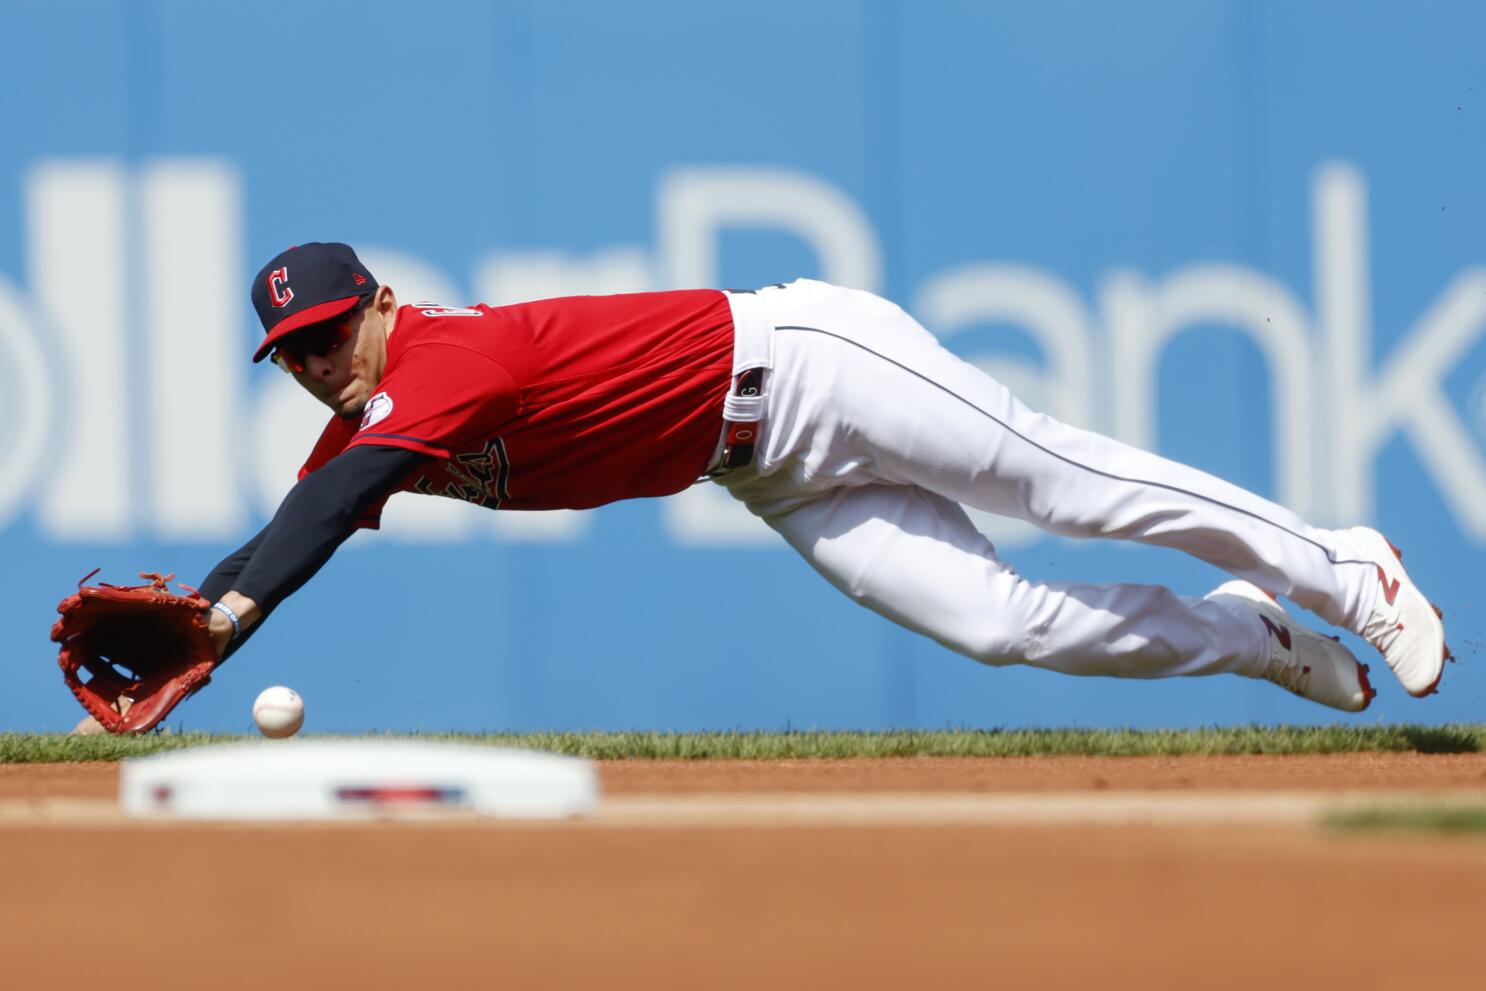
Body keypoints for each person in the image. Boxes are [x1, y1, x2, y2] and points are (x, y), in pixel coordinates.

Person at [196, 241, 1452, 715]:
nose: (310, 364)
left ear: (379, 304)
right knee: (994, 624)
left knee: (1071, 483)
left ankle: (1345, 565)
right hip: (769, 471)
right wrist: (200, 626)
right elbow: (286, 528)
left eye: (323, 334)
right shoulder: (373, 421)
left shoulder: (440, 359)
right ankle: (1249, 639)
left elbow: (311, 517)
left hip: (812, 365)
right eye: (288, 353)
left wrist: (241, 611)